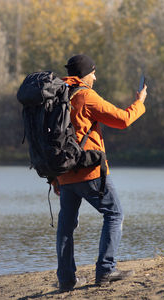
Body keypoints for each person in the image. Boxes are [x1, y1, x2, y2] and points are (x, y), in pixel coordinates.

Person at [54, 54, 147, 292]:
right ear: (85, 73)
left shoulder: (58, 96)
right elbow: (122, 119)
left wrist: (55, 177)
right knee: (114, 214)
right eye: (93, 72)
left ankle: (66, 279)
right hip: (89, 170)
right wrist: (140, 102)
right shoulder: (86, 95)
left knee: (66, 226)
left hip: (64, 173)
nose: (95, 76)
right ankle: (106, 270)